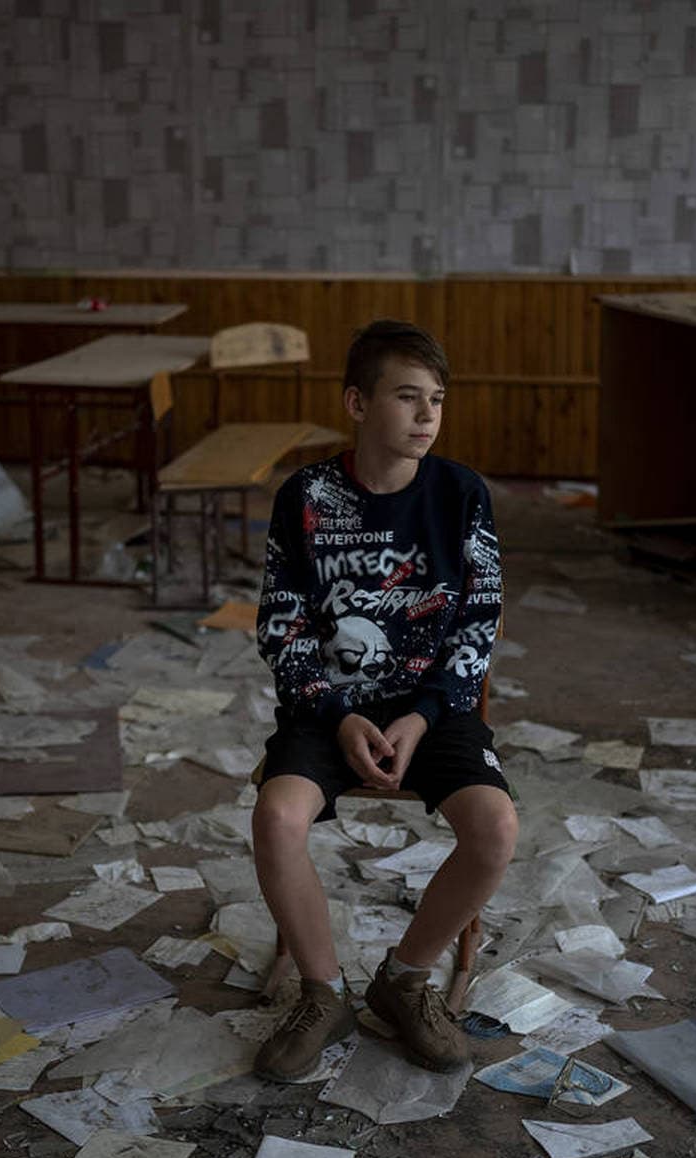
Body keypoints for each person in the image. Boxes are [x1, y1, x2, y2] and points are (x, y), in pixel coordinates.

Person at [250, 318, 516, 1081]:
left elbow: (477, 624)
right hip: (326, 711)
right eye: (407, 397)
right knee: (276, 817)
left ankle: (404, 980)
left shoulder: (461, 495)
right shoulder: (305, 497)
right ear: (358, 404)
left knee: (495, 829)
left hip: (433, 711)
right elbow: (283, 628)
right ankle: (322, 993)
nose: (428, 414)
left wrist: (422, 714)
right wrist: (339, 717)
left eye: (436, 398)